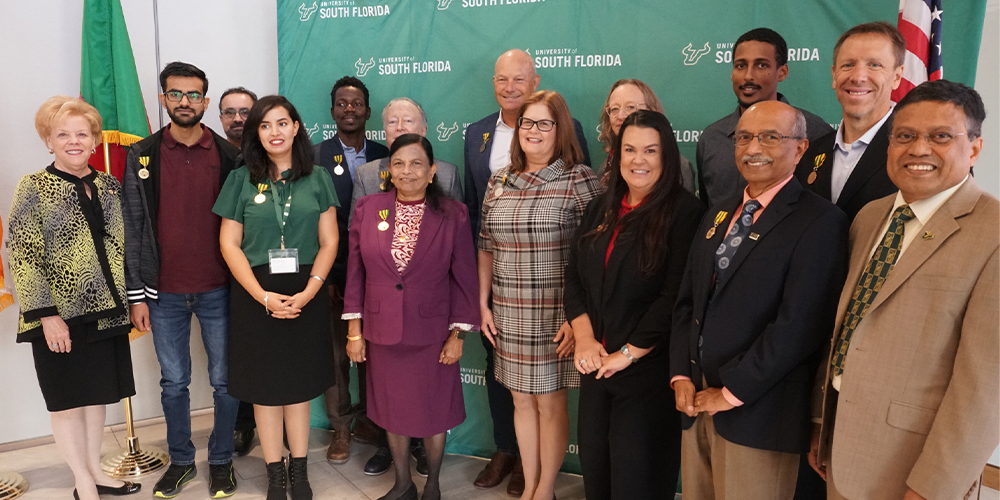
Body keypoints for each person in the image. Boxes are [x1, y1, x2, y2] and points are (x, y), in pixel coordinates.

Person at [810, 80, 998, 500]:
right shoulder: (870, 217)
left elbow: (985, 389)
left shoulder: (994, 233)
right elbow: (847, 326)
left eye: (941, 137)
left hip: (915, 470)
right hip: (841, 454)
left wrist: (934, 487)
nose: (918, 149)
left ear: (974, 148)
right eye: (905, 136)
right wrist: (822, 426)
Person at [669, 100, 848, 500]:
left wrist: (731, 392)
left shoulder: (820, 222)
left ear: (800, 149)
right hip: (696, 405)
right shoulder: (718, 213)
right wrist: (681, 373)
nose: (754, 148)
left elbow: (799, 325)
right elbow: (688, 301)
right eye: (745, 137)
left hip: (758, 413)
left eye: (770, 137)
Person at [462, 48, 591, 495]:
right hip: (508, 310)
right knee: (520, 401)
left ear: (561, 128)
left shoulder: (581, 181)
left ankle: (543, 489)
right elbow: (485, 246)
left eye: (544, 123)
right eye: (528, 123)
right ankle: (532, 482)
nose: (534, 131)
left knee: (551, 406)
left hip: (556, 315)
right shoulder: (499, 182)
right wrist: (482, 303)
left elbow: (594, 261)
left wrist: (579, 320)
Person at [565, 110, 704, 499]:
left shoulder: (685, 213)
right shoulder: (601, 206)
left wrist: (627, 353)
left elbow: (674, 297)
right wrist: (586, 339)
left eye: (650, 150)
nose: (638, 160)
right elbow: (573, 275)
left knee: (636, 482)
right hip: (596, 369)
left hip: (647, 374)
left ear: (667, 156)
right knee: (597, 476)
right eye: (629, 149)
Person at [8, 96, 140, 500]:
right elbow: (21, 252)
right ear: (48, 141)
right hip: (58, 317)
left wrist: (133, 300)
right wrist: (46, 315)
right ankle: (81, 479)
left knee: (96, 396)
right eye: (62, 134)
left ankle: (95, 469)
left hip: (106, 312)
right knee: (66, 401)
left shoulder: (109, 185)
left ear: (94, 139)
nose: (73, 141)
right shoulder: (33, 186)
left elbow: (123, 247)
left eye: (82, 133)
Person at [121, 61, 241, 498]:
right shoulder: (143, 155)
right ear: (163, 98)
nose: (185, 102)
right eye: (176, 94)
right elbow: (132, 226)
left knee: (226, 381)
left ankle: (223, 460)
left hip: (220, 290)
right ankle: (182, 461)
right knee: (174, 383)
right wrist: (137, 296)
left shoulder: (231, 155)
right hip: (162, 293)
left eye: (194, 95)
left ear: (206, 102)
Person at [214, 95, 338, 500]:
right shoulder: (240, 180)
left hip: (306, 290)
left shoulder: (317, 177)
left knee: (297, 387)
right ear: (256, 133)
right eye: (265, 126)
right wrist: (262, 296)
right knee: (266, 391)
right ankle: (274, 473)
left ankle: (299, 472)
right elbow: (230, 244)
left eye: (282, 123)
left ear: (296, 127)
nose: (274, 132)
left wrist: (310, 291)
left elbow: (329, 241)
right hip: (255, 294)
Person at [343, 133, 479, 500]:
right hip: (382, 330)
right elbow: (356, 272)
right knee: (392, 411)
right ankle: (403, 483)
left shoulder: (453, 214)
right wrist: (354, 332)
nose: (408, 171)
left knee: (435, 411)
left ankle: (432, 484)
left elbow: (466, 277)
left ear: (432, 171)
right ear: (388, 170)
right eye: (399, 163)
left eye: (417, 163)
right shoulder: (370, 208)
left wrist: (459, 335)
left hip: (433, 334)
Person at [312, 75, 390, 467]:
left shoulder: (386, 154)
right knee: (336, 357)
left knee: (375, 355)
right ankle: (341, 427)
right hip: (331, 273)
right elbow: (308, 221)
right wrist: (321, 277)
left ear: (368, 111)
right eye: (342, 103)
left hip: (377, 275)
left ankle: (374, 424)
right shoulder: (313, 155)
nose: (349, 110)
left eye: (356, 103)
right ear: (332, 112)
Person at [699, 27, 832, 207]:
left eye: (761, 65)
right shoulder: (711, 138)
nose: (748, 76)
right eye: (740, 65)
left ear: (783, 72)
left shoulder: (815, 133)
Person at [795, 22, 904, 222]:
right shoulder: (810, 154)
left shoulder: (912, 154)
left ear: (896, 77)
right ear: (834, 75)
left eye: (874, 65)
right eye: (848, 65)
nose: (858, 77)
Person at [216, 85, 262, 458]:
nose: (237, 119)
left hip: (268, 269)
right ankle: (242, 424)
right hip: (222, 269)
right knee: (233, 354)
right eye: (229, 112)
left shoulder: (271, 157)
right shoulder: (213, 154)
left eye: (245, 111)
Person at [351, 97, 463, 211]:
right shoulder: (365, 175)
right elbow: (355, 226)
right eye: (392, 122)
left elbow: (457, 224)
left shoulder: (448, 174)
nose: (399, 127)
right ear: (384, 130)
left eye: (408, 121)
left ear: (423, 130)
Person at [594, 79, 696, 193]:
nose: (620, 115)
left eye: (631, 107)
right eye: (614, 109)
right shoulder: (607, 165)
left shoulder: (678, 166)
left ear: (650, 110)